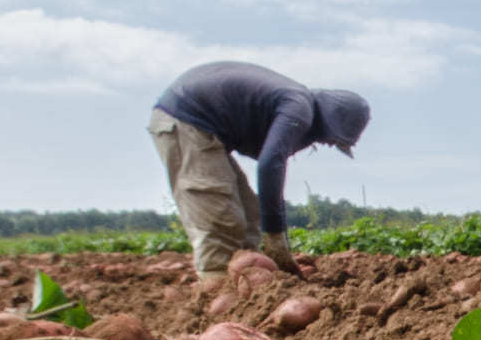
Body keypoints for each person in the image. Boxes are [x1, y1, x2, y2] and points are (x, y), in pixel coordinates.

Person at [150, 62, 371, 285]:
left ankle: (249, 284)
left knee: (249, 215)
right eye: (331, 138)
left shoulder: (293, 102)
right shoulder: (299, 108)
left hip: (203, 126)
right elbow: (270, 163)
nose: (326, 142)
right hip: (185, 120)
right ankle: (215, 288)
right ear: (330, 120)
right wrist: (275, 235)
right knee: (220, 216)